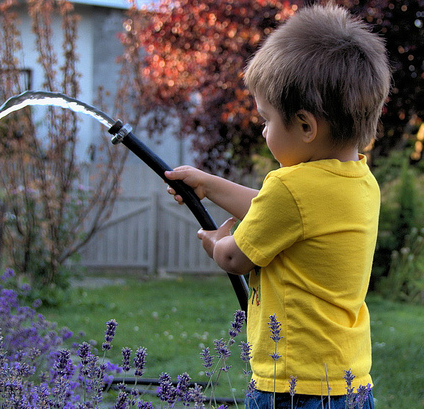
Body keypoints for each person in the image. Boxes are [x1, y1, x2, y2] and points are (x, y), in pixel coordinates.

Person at [165, 3, 390, 408]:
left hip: (292, 385)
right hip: (349, 382)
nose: (264, 130)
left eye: (266, 120)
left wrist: (214, 242)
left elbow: (236, 258)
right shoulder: (360, 181)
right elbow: (279, 213)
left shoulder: (291, 187)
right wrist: (209, 185)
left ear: (305, 126)